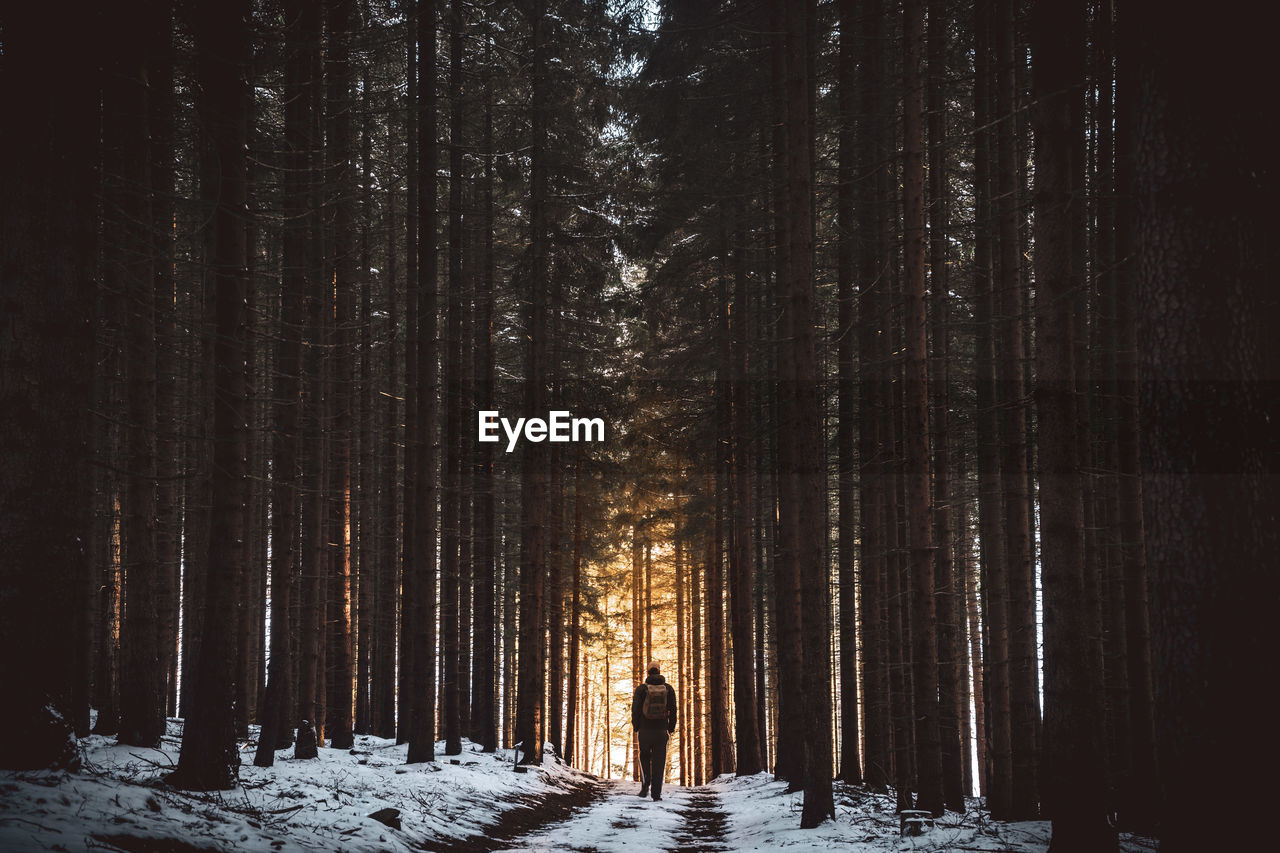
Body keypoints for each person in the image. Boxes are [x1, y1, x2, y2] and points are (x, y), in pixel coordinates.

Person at [632, 661, 677, 801]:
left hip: (645, 730)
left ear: (648, 672)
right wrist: (670, 728)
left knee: (644, 757)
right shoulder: (668, 689)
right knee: (659, 762)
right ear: (659, 671)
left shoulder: (641, 689)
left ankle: (645, 786)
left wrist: (636, 726)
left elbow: (635, 709)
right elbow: (673, 710)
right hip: (661, 731)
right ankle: (656, 795)